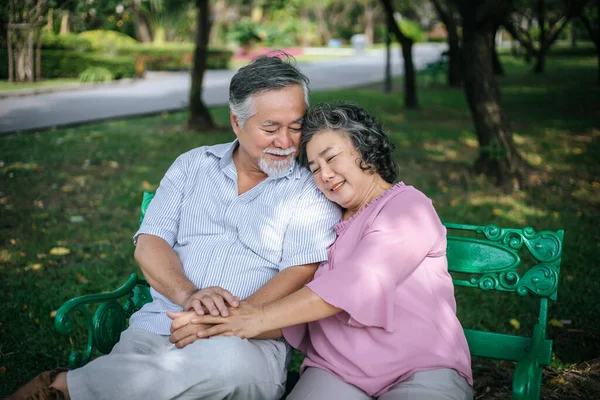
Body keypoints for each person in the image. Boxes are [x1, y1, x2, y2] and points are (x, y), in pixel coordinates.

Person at [9, 55, 341, 400]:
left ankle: (67, 388)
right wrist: (189, 296)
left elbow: (301, 269)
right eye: (270, 128)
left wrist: (227, 322)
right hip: (159, 326)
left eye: (297, 126)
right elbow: (149, 243)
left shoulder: (310, 188)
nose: (286, 141)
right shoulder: (192, 166)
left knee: (228, 370)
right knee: (153, 373)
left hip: (247, 342)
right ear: (235, 122)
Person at [171, 103, 474, 399]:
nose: (325, 175)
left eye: (332, 158)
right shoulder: (324, 222)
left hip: (419, 367)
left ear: (365, 149)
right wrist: (214, 325)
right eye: (314, 169)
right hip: (337, 370)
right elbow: (295, 306)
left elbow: (359, 281)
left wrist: (256, 318)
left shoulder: (406, 207)